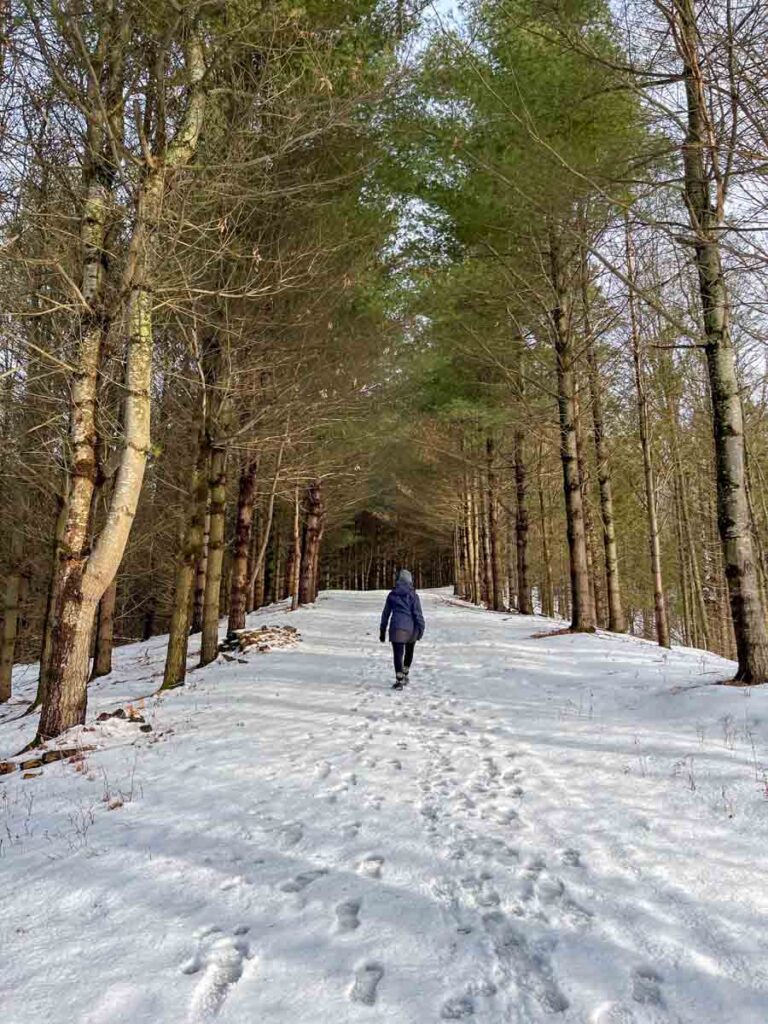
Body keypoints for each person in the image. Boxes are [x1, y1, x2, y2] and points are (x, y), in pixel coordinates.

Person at [379, 569, 425, 689]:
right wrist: (421, 629)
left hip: (396, 628)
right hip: (411, 629)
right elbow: (418, 614)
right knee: (409, 652)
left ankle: (399, 679)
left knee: (398, 654)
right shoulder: (413, 596)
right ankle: (405, 673)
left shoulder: (392, 595)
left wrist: (382, 630)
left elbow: (386, 614)